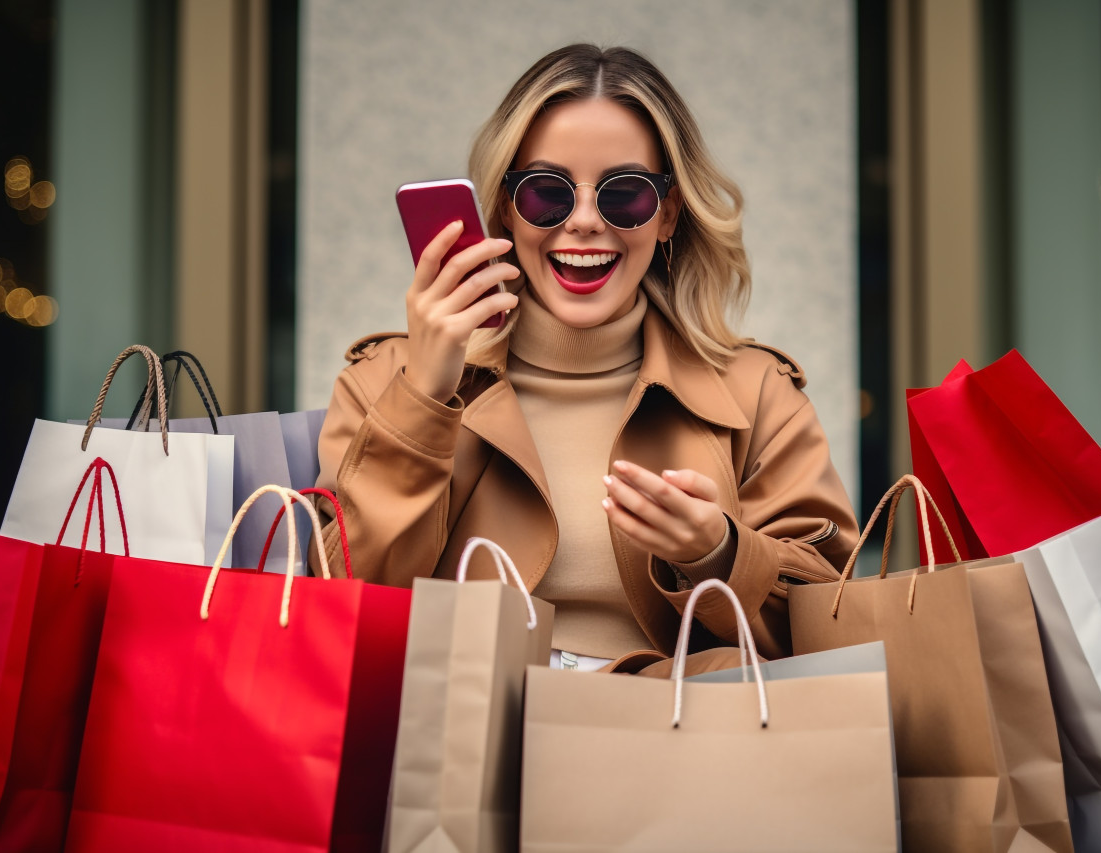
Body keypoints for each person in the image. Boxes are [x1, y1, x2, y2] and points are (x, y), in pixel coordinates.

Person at [312, 43, 858, 675]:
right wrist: (424, 399)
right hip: (457, 744)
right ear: (505, 210)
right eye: (547, 193)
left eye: (625, 196)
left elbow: (833, 630)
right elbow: (337, 609)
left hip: (676, 753)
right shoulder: (386, 381)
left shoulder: (758, 394)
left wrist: (718, 553)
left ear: (668, 215)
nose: (584, 222)